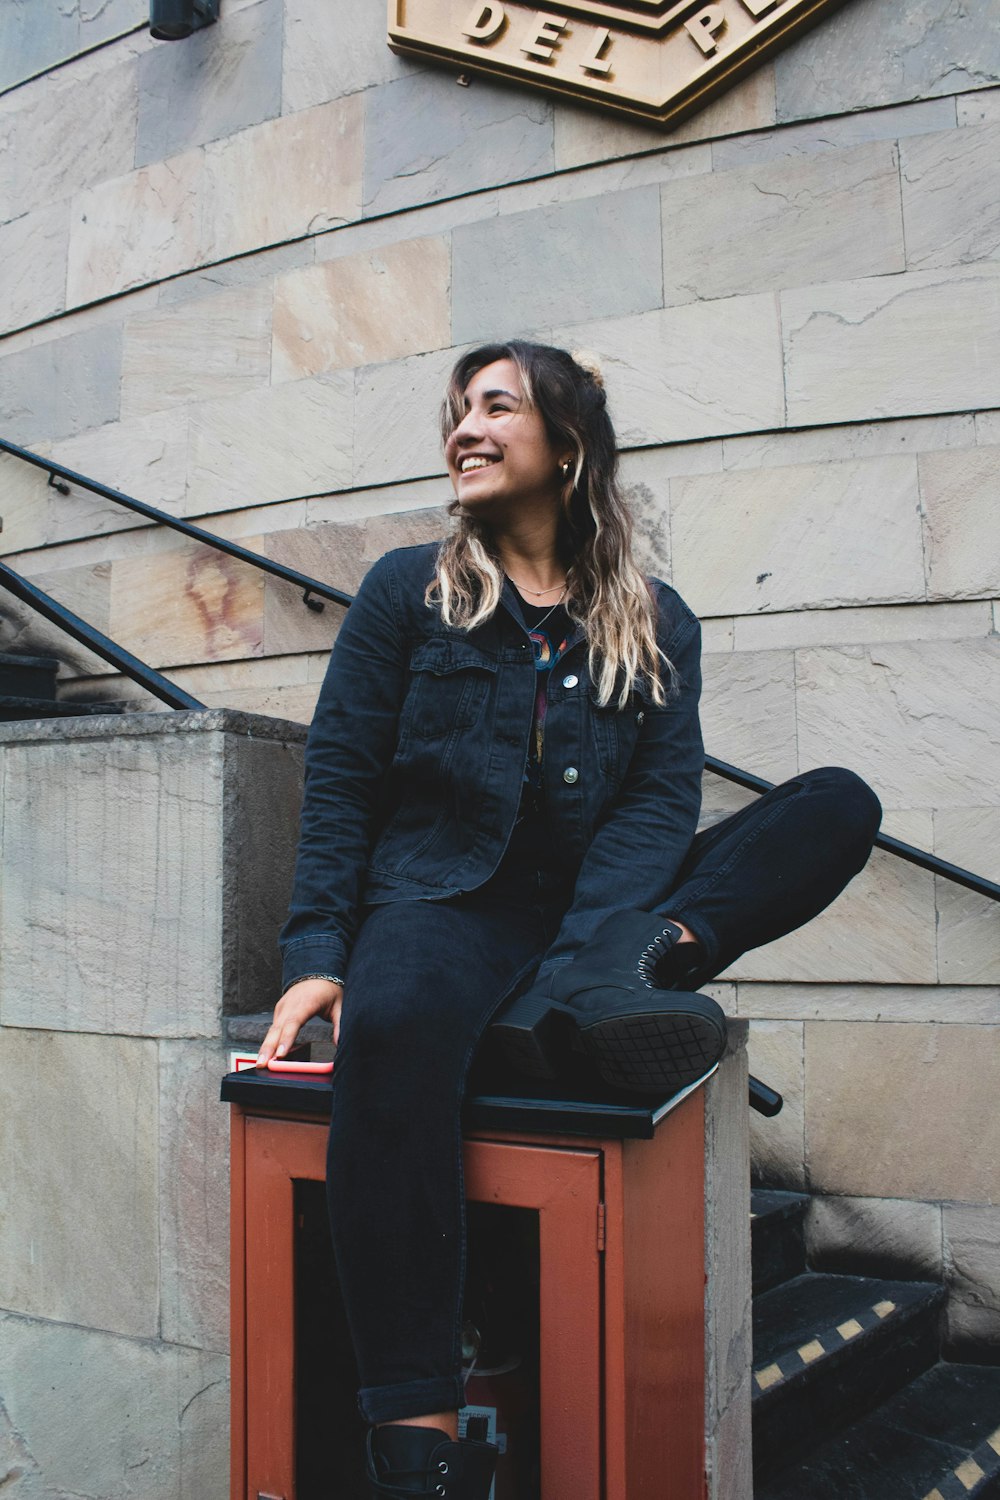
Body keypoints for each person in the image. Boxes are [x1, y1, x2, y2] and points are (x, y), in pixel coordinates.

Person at [257, 341, 881, 1499]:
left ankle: (607, 977)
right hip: (445, 899)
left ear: (567, 439)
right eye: (456, 412)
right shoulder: (410, 590)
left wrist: (605, 929)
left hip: (606, 907)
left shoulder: (656, 620)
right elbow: (342, 780)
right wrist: (315, 957)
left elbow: (657, 802)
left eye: (496, 406)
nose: (465, 429)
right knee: (395, 1030)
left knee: (835, 804)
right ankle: (417, 1439)